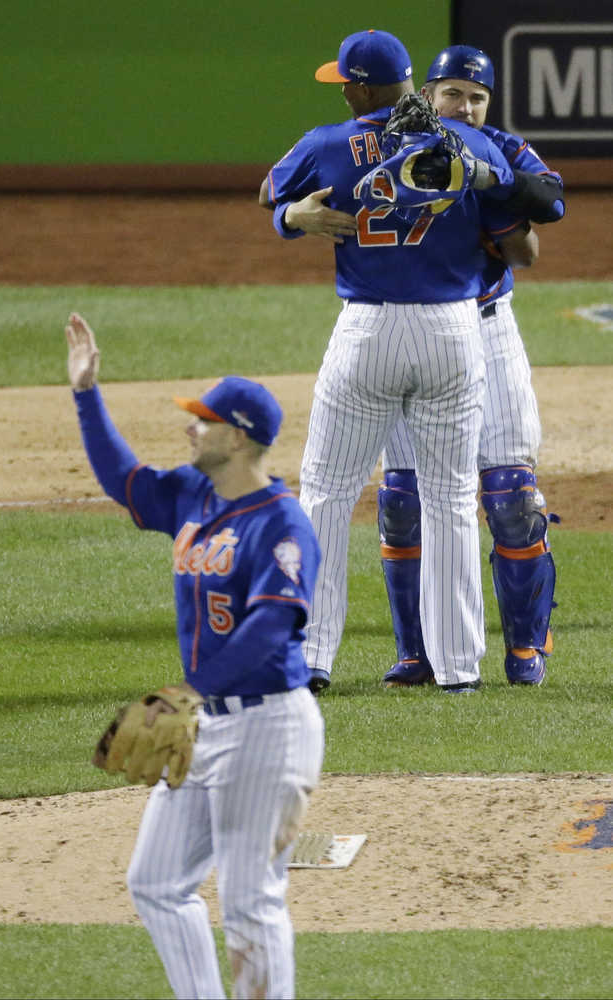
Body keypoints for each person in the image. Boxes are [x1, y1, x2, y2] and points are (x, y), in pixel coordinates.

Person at [260, 28, 540, 694]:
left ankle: (312, 657)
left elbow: (271, 193)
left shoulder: (327, 144)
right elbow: (534, 202)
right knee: (450, 500)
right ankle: (458, 668)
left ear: (359, 88)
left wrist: (293, 217)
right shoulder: (465, 141)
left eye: (344, 84)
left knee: (326, 492)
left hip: (368, 329)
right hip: (454, 332)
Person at [65, 311, 324, 999]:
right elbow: (123, 481)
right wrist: (87, 394)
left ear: (238, 437)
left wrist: (190, 690)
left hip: (269, 727)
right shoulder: (192, 494)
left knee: (249, 900)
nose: (190, 427)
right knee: (154, 882)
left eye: (203, 420)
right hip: (209, 724)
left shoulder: (283, 524)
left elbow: (272, 630)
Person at [376, 45, 564, 689]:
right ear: (428, 94)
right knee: (403, 500)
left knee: (513, 498)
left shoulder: (504, 148)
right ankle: (416, 653)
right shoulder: (383, 144)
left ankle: (525, 649)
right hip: (409, 331)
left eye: (477, 97)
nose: (467, 107)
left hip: (487, 331)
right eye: (454, 93)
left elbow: (548, 208)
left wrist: (487, 179)